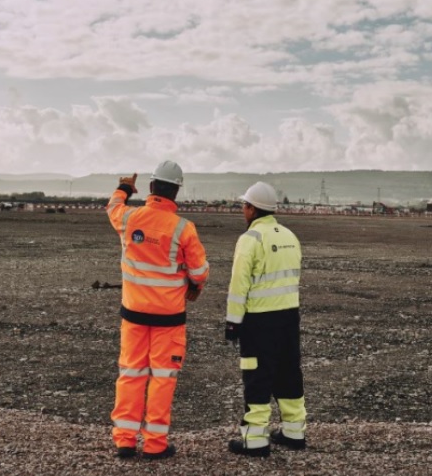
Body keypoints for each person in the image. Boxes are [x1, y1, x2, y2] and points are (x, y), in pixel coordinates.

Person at [106, 160, 209, 460]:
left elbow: (113, 207)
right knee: (163, 379)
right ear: (176, 191)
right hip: (169, 319)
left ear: (151, 187)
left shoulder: (129, 218)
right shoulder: (183, 228)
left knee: (131, 374)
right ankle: (154, 444)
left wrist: (124, 187)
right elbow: (200, 271)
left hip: (134, 316)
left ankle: (125, 441)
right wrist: (194, 284)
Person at [225, 181, 307, 457]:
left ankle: (255, 439)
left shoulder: (251, 239)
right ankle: (294, 432)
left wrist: (233, 322)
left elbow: (239, 285)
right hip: (289, 317)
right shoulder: (290, 236)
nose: (243, 209)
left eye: (244, 205)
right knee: (289, 373)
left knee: (257, 376)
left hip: (259, 321)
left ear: (251, 208)